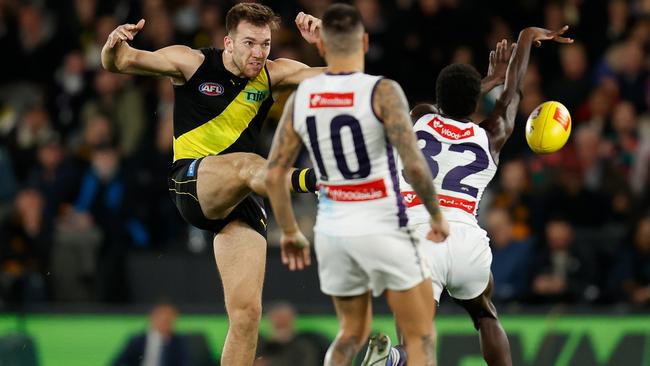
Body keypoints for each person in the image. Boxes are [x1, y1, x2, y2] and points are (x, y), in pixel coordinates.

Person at [101, 4, 325, 365]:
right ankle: (315, 182)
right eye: (249, 43)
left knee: (247, 315)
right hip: (194, 182)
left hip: (243, 194)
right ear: (228, 42)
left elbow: (351, 78)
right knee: (247, 163)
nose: (258, 52)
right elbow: (121, 63)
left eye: (265, 44)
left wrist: (325, 44)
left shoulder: (273, 74)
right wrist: (113, 45)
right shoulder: (190, 63)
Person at [363, 26, 573, 365]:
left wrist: (483, 83)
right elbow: (514, 90)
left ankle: (395, 358)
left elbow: (438, 105)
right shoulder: (492, 136)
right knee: (485, 313)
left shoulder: (420, 117)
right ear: (475, 101)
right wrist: (526, 38)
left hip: (420, 235)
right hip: (466, 238)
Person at [265, 4, 448, 366]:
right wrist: (436, 215)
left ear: (320, 48)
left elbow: (273, 175)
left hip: (333, 232)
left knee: (350, 334)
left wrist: (289, 231)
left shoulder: (303, 96)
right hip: (383, 225)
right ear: (364, 42)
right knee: (421, 334)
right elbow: (413, 165)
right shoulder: (383, 91)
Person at [112, 303, 189, 366]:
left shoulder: (177, 341)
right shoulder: (138, 340)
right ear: (153, 319)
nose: (165, 324)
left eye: (169, 320)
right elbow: (119, 361)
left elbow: (185, 362)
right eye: (163, 319)